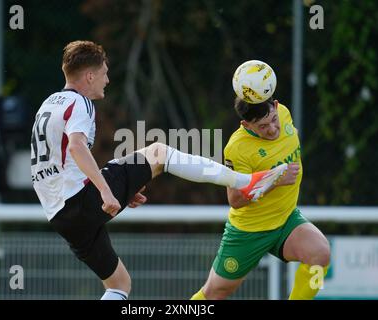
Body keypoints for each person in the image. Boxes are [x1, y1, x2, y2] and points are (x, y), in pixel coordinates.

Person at [30, 41, 287, 300]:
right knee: (159, 154)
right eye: (104, 73)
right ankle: (245, 181)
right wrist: (106, 192)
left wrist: (121, 191)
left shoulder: (49, 104)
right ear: (89, 76)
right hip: (80, 200)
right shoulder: (80, 103)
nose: (107, 80)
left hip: (60, 215)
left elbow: (59, 166)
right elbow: (76, 147)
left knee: (119, 283)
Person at [191, 97, 330, 300]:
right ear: (246, 125)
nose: (273, 129)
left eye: (274, 120)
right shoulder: (237, 148)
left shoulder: (284, 113)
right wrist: (274, 180)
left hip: (285, 220)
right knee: (215, 293)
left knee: (320, 254)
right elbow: (235, 200)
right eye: (263, 126)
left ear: (275, 105)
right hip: (249, 231)